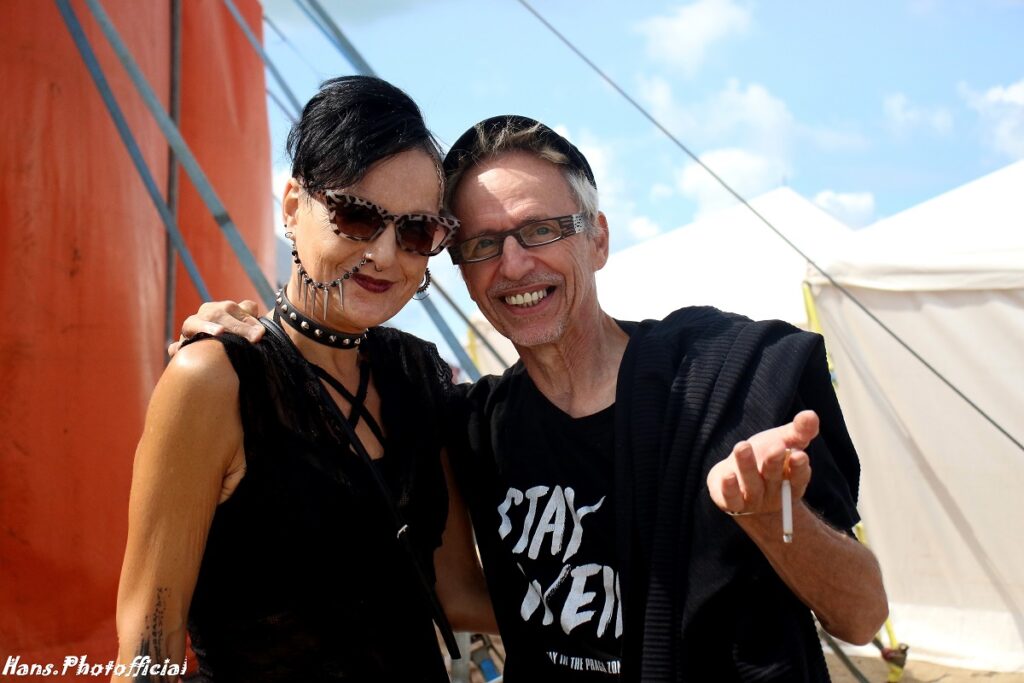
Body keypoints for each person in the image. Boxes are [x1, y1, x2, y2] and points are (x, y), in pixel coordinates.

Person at [178, 116, 889, 681]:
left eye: (541, 230)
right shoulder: (473, 428)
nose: (513, 264)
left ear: (597, 238)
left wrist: (773, 519)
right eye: (482, 244)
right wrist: (245, 339)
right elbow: (452, 589)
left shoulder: (728, 382)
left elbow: (862, 616)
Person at [114, 76, 493, 683]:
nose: (385, 255)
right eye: (356, 216)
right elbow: (148, 644)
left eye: (416, 231)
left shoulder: (419, 376)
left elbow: (455, 591)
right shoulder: (213, 379)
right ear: (293, 206)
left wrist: (637, 611)